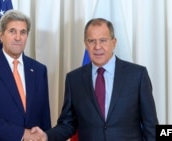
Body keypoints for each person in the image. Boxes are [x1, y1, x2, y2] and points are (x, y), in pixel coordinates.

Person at [31, 18, 159, 141]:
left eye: (103, 40)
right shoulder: (74, 79)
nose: (97, 47)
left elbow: (150, 126)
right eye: (92, 41)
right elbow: (67, 124)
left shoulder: (137, 75)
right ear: (86, 44)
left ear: (114, 42)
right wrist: (46, 136)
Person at [0, 9, 51, 141]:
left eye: (23, 32)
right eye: (12, 31)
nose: (18, 37)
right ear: (1, 35)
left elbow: (44, 117)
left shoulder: (39, 70)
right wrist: (22, 134)